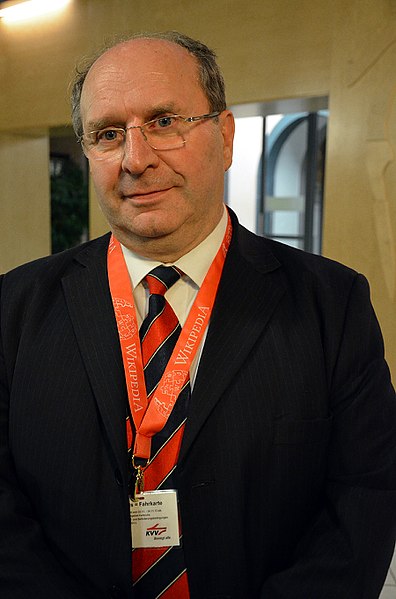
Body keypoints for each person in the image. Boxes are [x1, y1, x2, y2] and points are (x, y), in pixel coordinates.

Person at [0, 31, 395, 599]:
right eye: (109, 134)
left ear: (226, 136)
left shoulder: (330, 306)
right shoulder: (16, 307)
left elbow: (363, 505)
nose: (136, 159)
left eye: (164, 122)